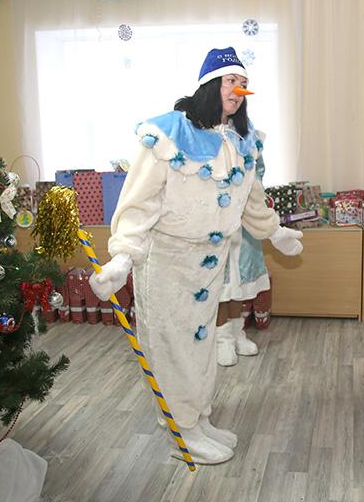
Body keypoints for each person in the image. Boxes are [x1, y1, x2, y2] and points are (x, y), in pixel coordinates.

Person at [89, 47, 303, 465]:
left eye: (243, 84)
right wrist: (122, 258)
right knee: (171, 349)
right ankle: (181, 431)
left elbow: (251, 199)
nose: (238, 91)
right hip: (167, 262)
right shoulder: (169, 135)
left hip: (210, 265)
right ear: (210, 84)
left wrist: (275, 232)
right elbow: (139, 202)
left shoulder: (241, 140)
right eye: (230, 81)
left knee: (201, 345)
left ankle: (197, 419)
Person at [216, 155, 272, 367]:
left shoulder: (247, 142)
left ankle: (237, 333)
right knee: (220, 284)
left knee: (238, 284)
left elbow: (257, 171)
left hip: (243, 217)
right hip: (215, 218)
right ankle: (222, 339)